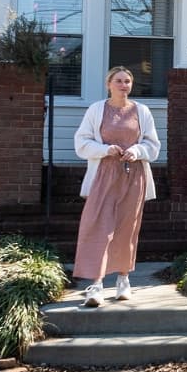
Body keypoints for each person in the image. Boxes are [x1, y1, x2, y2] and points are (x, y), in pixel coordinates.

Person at [73, 66, 161, 307]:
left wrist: (136, 150)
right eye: (119, 81)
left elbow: (152, 146)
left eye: (127, 81)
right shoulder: (96, 110)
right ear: (109, 84)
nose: (123, 85)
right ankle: (96, 285)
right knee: (97, 227)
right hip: (103, 175)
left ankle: (123, 280)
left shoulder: (142, 111)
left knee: (127, 228)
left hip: (133, 176)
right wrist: (105, 150)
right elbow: (81, 142)